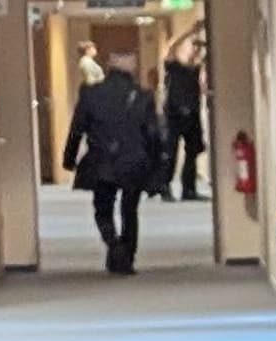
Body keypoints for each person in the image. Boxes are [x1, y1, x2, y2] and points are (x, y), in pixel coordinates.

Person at [63, 50, 163, 274]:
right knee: (130, 209)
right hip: (134, 161)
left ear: (109, 66)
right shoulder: (143, 96)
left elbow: (77, 129)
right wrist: (157, 169)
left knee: (102, 208)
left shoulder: (90, 93)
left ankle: (113, 243)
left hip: (102, 160)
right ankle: (127, 255)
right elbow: (153, 135)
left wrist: (69, 159)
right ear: (133, 68)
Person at [159, 28, 207, 201]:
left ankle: (189, 189)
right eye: (192, 46)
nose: (195, 50)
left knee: (192, 152)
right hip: (174, 115)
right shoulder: (173, 66)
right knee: (170, 152)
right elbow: (171, 47)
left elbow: (202, 88)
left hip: (192, 114)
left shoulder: (196, 70)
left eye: (198, 47)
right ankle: (164, 187)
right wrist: (191, 31)